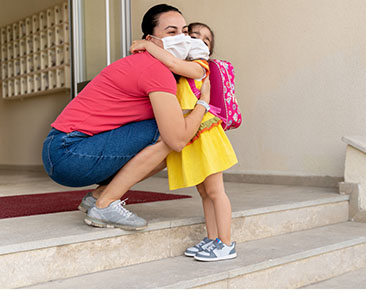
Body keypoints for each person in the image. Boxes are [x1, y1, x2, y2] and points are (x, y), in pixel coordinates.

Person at [41, 4, 210, 231]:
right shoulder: (154, 69)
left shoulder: (153, 66)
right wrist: (204, 103)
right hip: (69, 151)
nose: (181, 38)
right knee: (170, 133)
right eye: (171, 32)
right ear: (151, 40)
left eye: (185, 31)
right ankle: (106, 204)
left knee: (172, 127)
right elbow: (177, 139)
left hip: (64, 149)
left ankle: (99, 196)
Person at [129, 22, 238, 261]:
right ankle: (213, 239)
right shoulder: (178, 72)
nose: (197, 40)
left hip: (205, 134)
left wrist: (146, 44)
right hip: (191, 134)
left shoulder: (199, 66)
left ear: (208, 50)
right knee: (204, 192)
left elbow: (171, 61)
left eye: (205, 40)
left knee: (216, 191)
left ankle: (227, 244)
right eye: (192, 34)